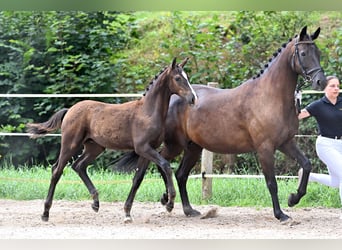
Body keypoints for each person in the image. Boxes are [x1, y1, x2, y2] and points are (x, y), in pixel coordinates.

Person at [298, 75, 342, 219]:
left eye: (337, 85)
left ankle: (309, 176)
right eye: (332, 86)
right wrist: (296, 99)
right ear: (324, 88)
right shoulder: (317, 105)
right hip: (326, 145)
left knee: (336, 182)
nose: (336, 88)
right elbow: (298, 115)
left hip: (340, 144)